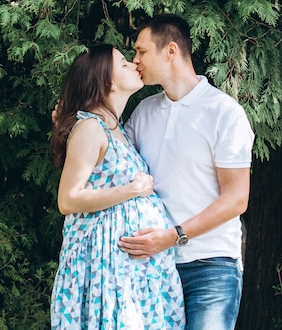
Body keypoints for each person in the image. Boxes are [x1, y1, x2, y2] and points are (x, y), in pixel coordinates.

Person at [117, 14, 255, 330]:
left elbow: (236, 199)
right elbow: (111, 156)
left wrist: (173, 236)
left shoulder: (224, 113)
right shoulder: (144, 112)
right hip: (154, 265)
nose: (135, 60)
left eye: (141, 51)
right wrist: (78, 119)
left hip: (211, 266)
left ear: (171, 51)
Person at [49, 44, 185, 330]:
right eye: (123, 63)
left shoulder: (117, 130)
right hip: (103, 271)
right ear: (106, 81)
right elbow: (68, 199)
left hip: (129, 274)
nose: (134, 64)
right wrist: (131, 190)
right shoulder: (91, 128)